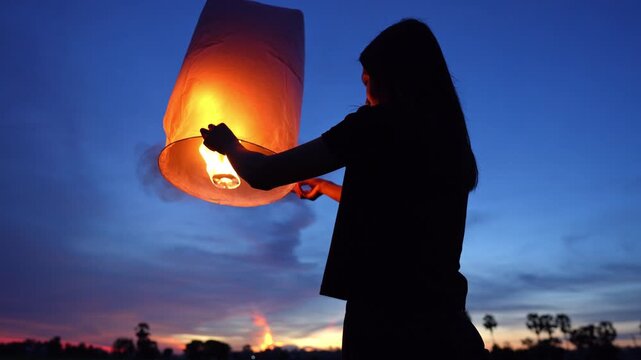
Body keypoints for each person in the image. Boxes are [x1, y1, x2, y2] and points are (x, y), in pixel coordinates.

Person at [201, 18, 489, 360]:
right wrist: (324, 187)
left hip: (386, 325)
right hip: (447, 325)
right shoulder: (447, 140)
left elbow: (264, 174)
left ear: (391, 77)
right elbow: (395, 208)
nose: (365, 94)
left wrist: (228, 144)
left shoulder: (374, 126)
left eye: (368, 81)